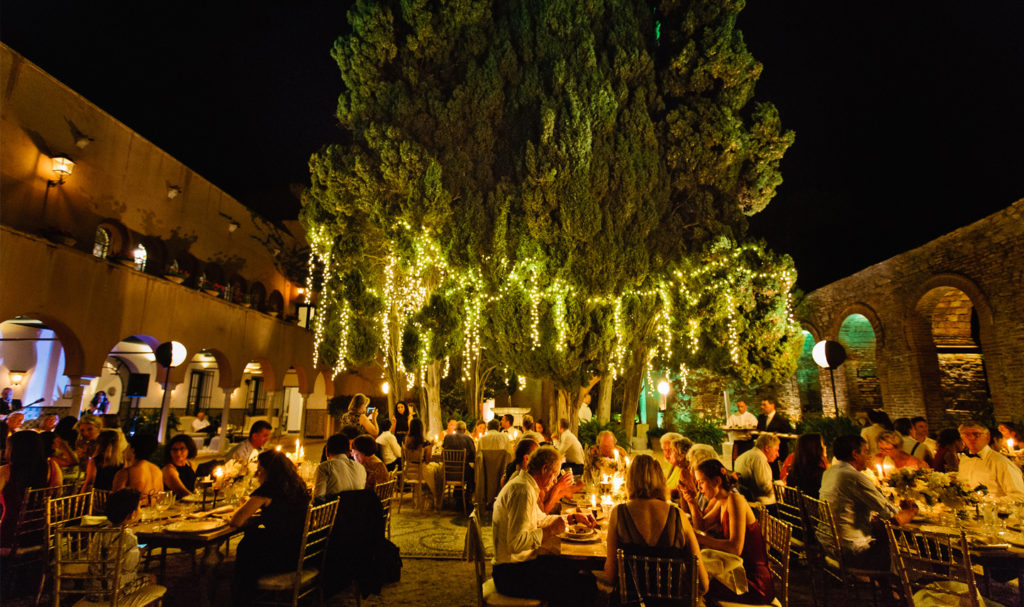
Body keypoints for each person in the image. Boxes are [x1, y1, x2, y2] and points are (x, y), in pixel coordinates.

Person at [491, 445, 597, 607]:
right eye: (555, 474)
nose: (556, 481)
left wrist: (573, 518)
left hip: (520, 565)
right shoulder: (522, 491)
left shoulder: (526, 486)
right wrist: (550, 530)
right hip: (510, 573)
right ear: (544, 469)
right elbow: (516, 543)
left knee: (577, 570)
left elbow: (540, 520)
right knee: (581, 584)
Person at [603, 454, 708, 595]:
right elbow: (702, 584)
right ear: (661, 480)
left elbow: (610, 577)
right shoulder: (678, 516)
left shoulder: (619, 513)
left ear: (630, 481)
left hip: (631, 603)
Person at [820, 434, 917, 568]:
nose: (868, 456)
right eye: (865, 451)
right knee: (895, 544)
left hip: (828, 543)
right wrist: (911, 511)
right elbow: (893, 517)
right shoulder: (853, 476)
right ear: (855, 454)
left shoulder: (830, 472)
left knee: (881, 530)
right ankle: (903, 585)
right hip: (850, 551)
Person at [229, 450, 311, 607]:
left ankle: (243, 596)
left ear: (266, 470)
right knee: (254, 537)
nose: (258, 473)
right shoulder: (298, 486)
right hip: (301, 551)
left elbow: (237, 521)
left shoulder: (267, 490)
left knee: (248, 544)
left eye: (259, 469)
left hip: (282, 557)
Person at [687, 458, 774, 605]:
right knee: (694, 580)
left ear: (716, 481)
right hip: (735, 571)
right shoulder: (720, 500)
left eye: (701, 482)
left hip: (751, 581)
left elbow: (735, 548)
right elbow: (701, 526)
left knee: (695, 585)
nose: (699, 487)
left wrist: (696, 538)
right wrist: (691, 501)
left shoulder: (735, 500)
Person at [0, 431, 62, 547]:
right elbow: (57, 497)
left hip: (10, 537)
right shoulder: (53, 467)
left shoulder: (6, 471)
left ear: (14, 449)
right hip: (42, 534)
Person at [958, 421, 1024, 498]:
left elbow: (1019, 497)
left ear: (987, 437)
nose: (971, 438)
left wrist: (986, 503)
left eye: (976, 434)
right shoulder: (964, 460)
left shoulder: (1001, 463)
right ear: (962, 438)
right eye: (966, 435)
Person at [403, 418, 443, 509]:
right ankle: (437, 498)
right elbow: (428, 460)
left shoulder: (406, 440)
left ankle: (427, 495)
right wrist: (432, 446)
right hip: (421, 472)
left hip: (409, 472)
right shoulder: (425, 443)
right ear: (421, 428)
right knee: (439, 470)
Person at [314, 433, 366, 502]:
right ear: (348, 453)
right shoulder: (361, 467)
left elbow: (318, 497)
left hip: (335, 511)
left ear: (326, 451)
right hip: (360, 510)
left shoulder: (324, 467)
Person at [112, 433, 163, 502]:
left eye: (127, 447)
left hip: (136, 512)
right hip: (153, 511)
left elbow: (115, 501)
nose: (123, 451)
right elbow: (160, 497)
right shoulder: (157, 470)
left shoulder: (126, 473)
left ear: (132, 450)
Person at [733, 433, 779, 506]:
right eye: (776, 450)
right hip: (761, 504)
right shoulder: (759, 458)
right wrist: (782, 484)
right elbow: (765, 489)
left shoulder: (745, 455)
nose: (777, 454)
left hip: (747, 500)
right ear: (767, 448)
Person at [781, 433, 829, 498]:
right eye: (822, 444)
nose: (824, 447)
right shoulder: (820, 475)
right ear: (815, 449)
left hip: (796, 507)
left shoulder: (793, 473)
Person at [756, 397, 791, 478]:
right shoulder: (761, 418)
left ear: (772, 406)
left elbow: (787, 437)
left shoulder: (782, 420)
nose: (762, 407)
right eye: (761, 405)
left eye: (764, 405)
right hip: (764, 453)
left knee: (777, 475)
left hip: (778, 453)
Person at [442, 420, 477, 492]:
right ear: (464, 430)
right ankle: (467, 496)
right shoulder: (468, 439)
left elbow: (443, 452)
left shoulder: (447, 437)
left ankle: (457, 492)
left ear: (455, 429)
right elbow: (473, 456)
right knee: (474, 472)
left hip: (447, 473)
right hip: (463, 473)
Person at [659, 432, 691, 497]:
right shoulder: (670, 465)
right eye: (665, 450)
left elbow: (678, 491)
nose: (667, 453)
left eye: (670, 450)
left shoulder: (685, 469)